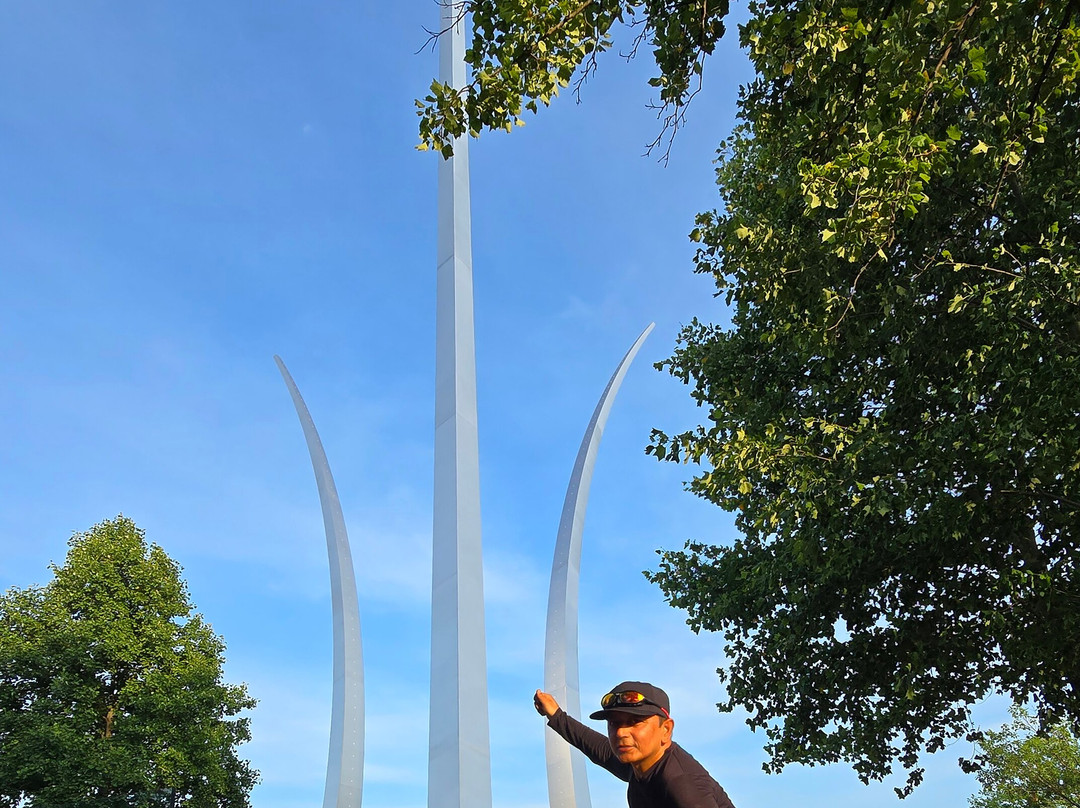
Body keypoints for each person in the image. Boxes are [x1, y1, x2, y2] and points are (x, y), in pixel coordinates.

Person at [534, 681, 736, 808]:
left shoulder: (682, 786)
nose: (621, 732)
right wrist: (556, 714)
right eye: (614, 723)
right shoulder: (638, 764)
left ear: (666, 730)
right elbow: (595, 746)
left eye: (634, 722)